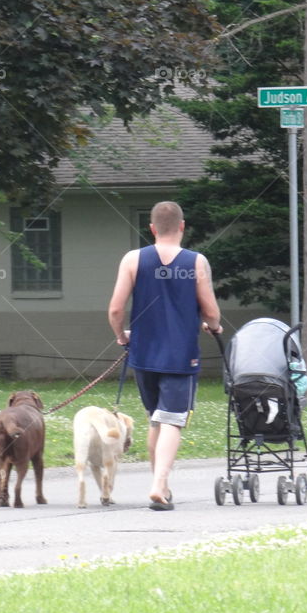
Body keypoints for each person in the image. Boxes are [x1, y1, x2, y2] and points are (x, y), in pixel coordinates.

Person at [108, 201, 222, 511]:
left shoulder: (133, 259)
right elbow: (211, 310)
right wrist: (213, 326)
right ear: (183, 226)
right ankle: (158, 485)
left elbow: (116, 309)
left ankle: (164, 486)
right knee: (173, 420)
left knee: (156, 420)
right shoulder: (196, 262)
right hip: (181, 356)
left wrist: (121, 336)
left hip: (144, 354)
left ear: (152, 229)